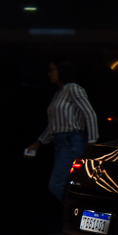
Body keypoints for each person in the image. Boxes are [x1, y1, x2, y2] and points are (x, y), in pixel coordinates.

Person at [25, 60, 99, 200]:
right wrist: (39, 142)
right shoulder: (58, 93)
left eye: (52, 70)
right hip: (60, 143)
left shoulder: (73, 89)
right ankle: (73, 209)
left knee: (57, 184)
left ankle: (75, 209)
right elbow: (54, 124)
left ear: (62, 71)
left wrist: (92, 141)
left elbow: (89, 113)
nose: (49, 74)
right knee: (65, 184)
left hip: (72, 141)